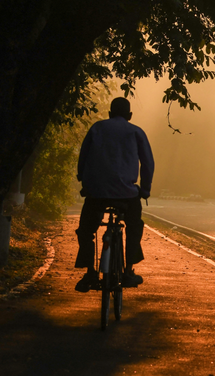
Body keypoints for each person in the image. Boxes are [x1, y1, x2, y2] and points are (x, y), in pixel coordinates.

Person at [74, 97, 155, 292]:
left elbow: (83, 157)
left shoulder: (96, 129)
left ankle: (90, 272)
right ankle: (127, 271)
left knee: (86, 229)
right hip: (127, 194)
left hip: (96, 193)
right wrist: (144, 190)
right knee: (134, 227)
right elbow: (148, 164)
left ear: (109, 114)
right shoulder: (136, 131)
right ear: (130, 115)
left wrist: (84, 182)